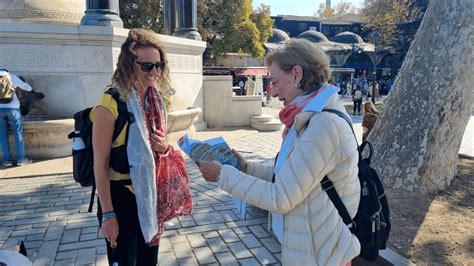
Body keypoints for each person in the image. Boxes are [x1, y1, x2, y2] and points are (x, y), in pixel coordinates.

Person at [198, 39, 361, 265]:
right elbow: (289, 179)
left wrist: (223, 175)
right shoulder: (311, 116)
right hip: (313, 246)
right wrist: (247, 169)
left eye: (274, 81)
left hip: (322, 254)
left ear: (296, 74)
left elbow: (281, 197)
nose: (272, 92)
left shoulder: (323, 124)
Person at [91, 28, 191, 265]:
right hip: (121, 196)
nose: (153, 72)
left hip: (150, 194)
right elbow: (100, 164)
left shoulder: (157, 100)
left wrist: (164, 146)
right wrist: (108, 215)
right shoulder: (110, 104)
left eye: (158, 65)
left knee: (148, 261)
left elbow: (160, 149)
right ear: (129, 64)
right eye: (146, 65)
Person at [0, 69, 33, 167]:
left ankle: (7, 160)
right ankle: (21, 159)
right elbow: (28, 88)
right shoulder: (11, 76)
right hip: (13, 109)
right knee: (18, 133)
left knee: (2, 135)